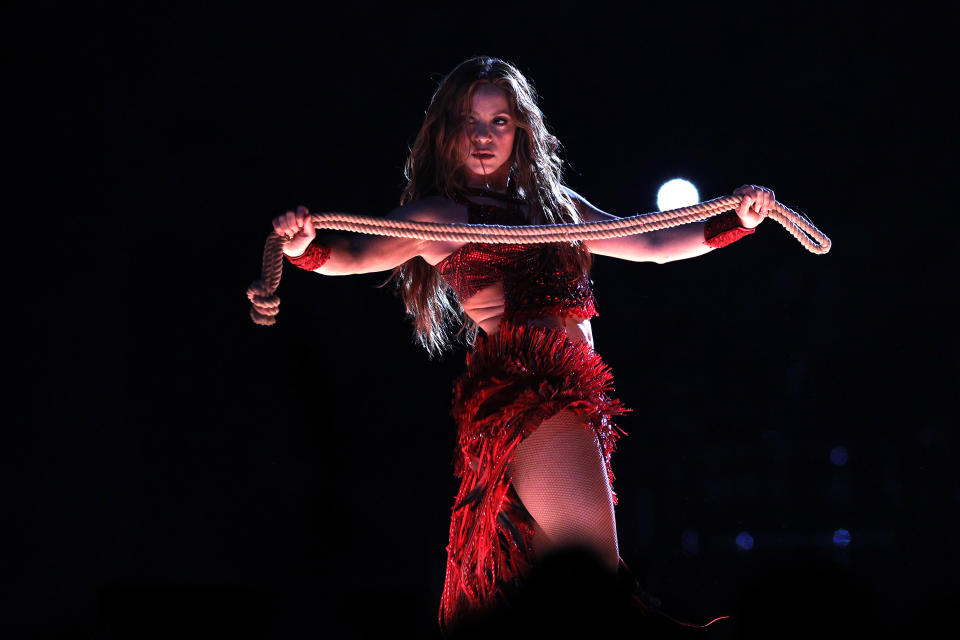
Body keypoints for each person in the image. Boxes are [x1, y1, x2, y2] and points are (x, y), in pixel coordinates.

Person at [271, 56, 774, 634]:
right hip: (532, 394)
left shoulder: (555, 206)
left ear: (522, 130)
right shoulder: (443, 215)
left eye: (499, 122)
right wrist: (302, 247)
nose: (483, 137)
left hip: (574, 396)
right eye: (470, 121)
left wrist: (740, 220)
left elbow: (655, 242)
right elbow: (357, 257)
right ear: (446, 131)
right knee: (598, 583)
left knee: (560, 600)